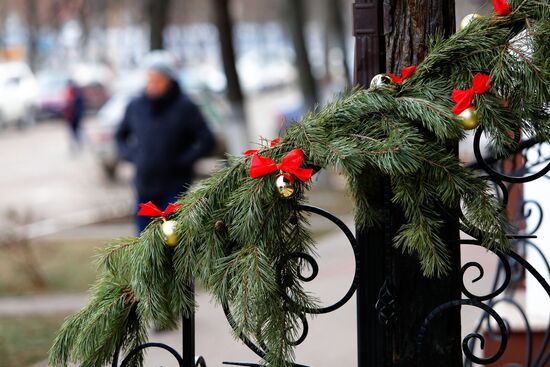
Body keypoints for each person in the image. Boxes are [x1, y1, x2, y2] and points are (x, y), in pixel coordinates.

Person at [115, 62, 215, 233]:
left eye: (157, 80)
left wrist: (184, 160)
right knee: (143, 237)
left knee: (172, 235)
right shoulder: (136, 105)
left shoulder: (185, 106)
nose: (152, 85)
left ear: (168, 81)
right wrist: (133, 156)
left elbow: (207, 139)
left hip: (175, 183)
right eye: (149, 80)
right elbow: (120, 136)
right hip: (144, 183)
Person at [63, 80, 85, 151]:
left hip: (73, 116)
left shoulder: (70, 94)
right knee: (75, 130)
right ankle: (77, 144)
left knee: (74, 131)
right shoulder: (76, 93)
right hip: (73, 116)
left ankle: (77, 144)